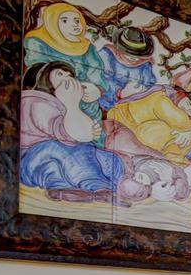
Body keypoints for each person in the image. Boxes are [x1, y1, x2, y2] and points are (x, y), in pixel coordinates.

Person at [18, 61, 125, 202]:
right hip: (31, 160)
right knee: (77, 151)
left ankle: (61, 188)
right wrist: (71, 104)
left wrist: (90, 131)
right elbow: (67, 135)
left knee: (112, 161)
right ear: (42, 78)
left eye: (70, 75)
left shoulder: (56, 103)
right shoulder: (36, 102)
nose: (68, 79)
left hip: (51, 159)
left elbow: (80, 135)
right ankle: (97, 186)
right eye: (60, 74)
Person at [24, 1, 107, 120]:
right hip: (52, 98)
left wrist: (97, 89)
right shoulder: (37, 42)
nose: (74, 25)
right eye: (64, 20)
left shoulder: (88, 47)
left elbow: (96, 70)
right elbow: (39, 70)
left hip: (85, 99)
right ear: (51, 21)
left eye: (77, 20)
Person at [97, 26, 160, 109]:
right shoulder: (108, 54)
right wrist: (119, 92)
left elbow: (149, 84)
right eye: (129, 53)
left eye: (137, 54)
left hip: (132, 104)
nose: (133, 57)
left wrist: (140, 90)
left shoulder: (144, 64)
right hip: (106, 103)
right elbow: (101, 78)